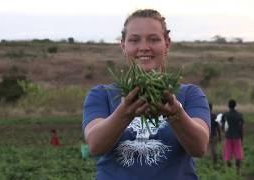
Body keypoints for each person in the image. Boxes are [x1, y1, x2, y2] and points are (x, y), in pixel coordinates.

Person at [82, 9, 210, 180]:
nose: (143, 47)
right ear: (123, 45)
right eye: (134, 40)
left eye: (154, 39)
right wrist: (125, 112)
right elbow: (95, 146)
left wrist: (175, 113)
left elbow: (199, 147)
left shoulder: (189, 94)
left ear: (167, 43)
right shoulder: (102, 95)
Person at [221, 99, 244, 175]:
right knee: (238, 154)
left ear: (228, 105)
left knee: (227, 154)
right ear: (235, 105)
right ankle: (238, 171)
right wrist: (241, 137)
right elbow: (241, 127)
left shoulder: (225, 115)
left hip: (228, 136)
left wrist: (224, 131)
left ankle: (229, 171)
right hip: (237, 137)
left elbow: (222, 125)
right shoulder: (239, 115)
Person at [209, 103, 221, 167]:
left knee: (208, 151)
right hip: (213, 136)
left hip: (206, 136)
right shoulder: (214, 116)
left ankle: (211, 165)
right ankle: (214, 164)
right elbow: (218, 127)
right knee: (213, 151)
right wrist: (220, 136)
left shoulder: (203, 115)